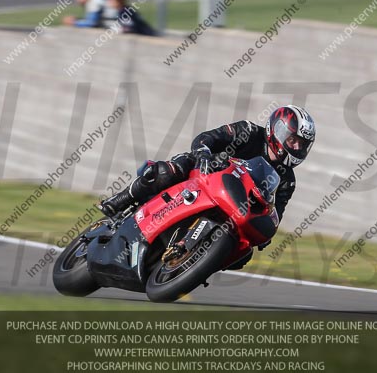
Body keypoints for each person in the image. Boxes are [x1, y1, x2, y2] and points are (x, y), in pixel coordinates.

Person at [98, 106, 316, 268]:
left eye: (302, 144)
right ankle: (123, 198)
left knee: (243, 255)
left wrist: (266, 232)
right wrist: (204, 154)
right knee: (168, 171)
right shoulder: (249, 132)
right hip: (206, 173)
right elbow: (207, 138)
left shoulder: (287, 180)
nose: (296, 147)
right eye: (293, 140)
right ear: (277, 131)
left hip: (236, 206)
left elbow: (276, 212)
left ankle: (193, 264)